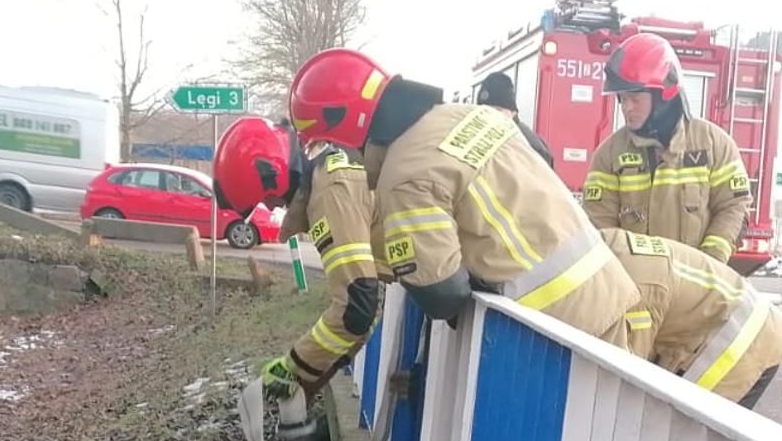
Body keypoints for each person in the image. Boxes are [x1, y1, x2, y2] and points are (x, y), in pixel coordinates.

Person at [288, 48, 640, 346]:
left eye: (326, 142)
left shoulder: (404, 176)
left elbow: (442, 294)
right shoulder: (470, 116)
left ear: (347, 127)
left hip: (561, 332)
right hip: (614, 294)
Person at [212, 116, 380, 390]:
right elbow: (365, 307)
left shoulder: (329, 196)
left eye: (266, 200)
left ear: (271, 180)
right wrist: (322, 369)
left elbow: (357, 305)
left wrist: (293, 368)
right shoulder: (329, 173)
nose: (271, 207)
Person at [582, 33, 750, 263]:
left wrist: (710, 265)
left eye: (635, 99)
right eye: (622, 99)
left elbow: (733, 207)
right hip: (635, 289)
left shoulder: (714, 145)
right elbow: (599, 226)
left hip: (696, 289)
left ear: (664, 95)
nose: (626, 107)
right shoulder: (609, 155)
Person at [602, 228, 782, 408]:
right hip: (740, 324)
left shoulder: (635, 288)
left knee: (683, 426)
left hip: (746, 340)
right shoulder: (611, 247)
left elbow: (624, 376)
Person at [475, 72, 554, 167]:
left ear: (513, 111)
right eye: (485, 111)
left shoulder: (530, 147)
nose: (491, 116)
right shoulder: (485, 138)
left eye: (497, 110)